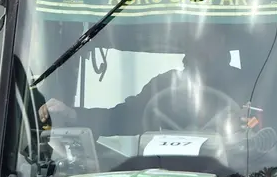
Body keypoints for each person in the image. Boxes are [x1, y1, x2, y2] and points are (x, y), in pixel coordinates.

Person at [40, 39, 249, 137]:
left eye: (208, 40)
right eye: (193, 43)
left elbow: (263, 126)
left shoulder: (245, 85)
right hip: (162, 173)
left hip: (230, 176)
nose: (197, 49)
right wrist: (72, 114)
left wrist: (242, 123)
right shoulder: (164, 84)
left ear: (223, 46)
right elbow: (120, 118)